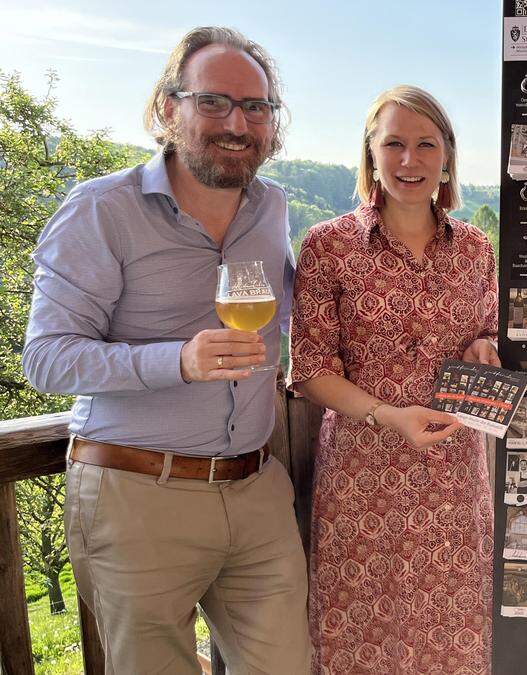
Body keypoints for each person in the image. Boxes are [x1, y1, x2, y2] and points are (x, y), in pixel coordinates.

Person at [21, 27, 311, 672]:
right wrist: (176, 361)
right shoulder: (102, 209)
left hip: (256, 487)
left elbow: (305, 313)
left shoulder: (271, 208)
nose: (238, 123)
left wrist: (471, 336)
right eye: (214, 102)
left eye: (255, 107)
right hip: (137, 493)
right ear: (168, 108)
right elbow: (45, 357)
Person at [289, 84, 498, 674]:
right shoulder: (328, 246)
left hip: (454, 474)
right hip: (363, 477)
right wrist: (387, 415)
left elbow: (488, 331)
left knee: (454, 638)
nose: (410, 161)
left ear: (448, 156)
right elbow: (309, 370)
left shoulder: (476, 250)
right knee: (360, 635)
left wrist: (485, 344)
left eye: (426, 145)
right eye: (395, 144)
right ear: (371, 154)